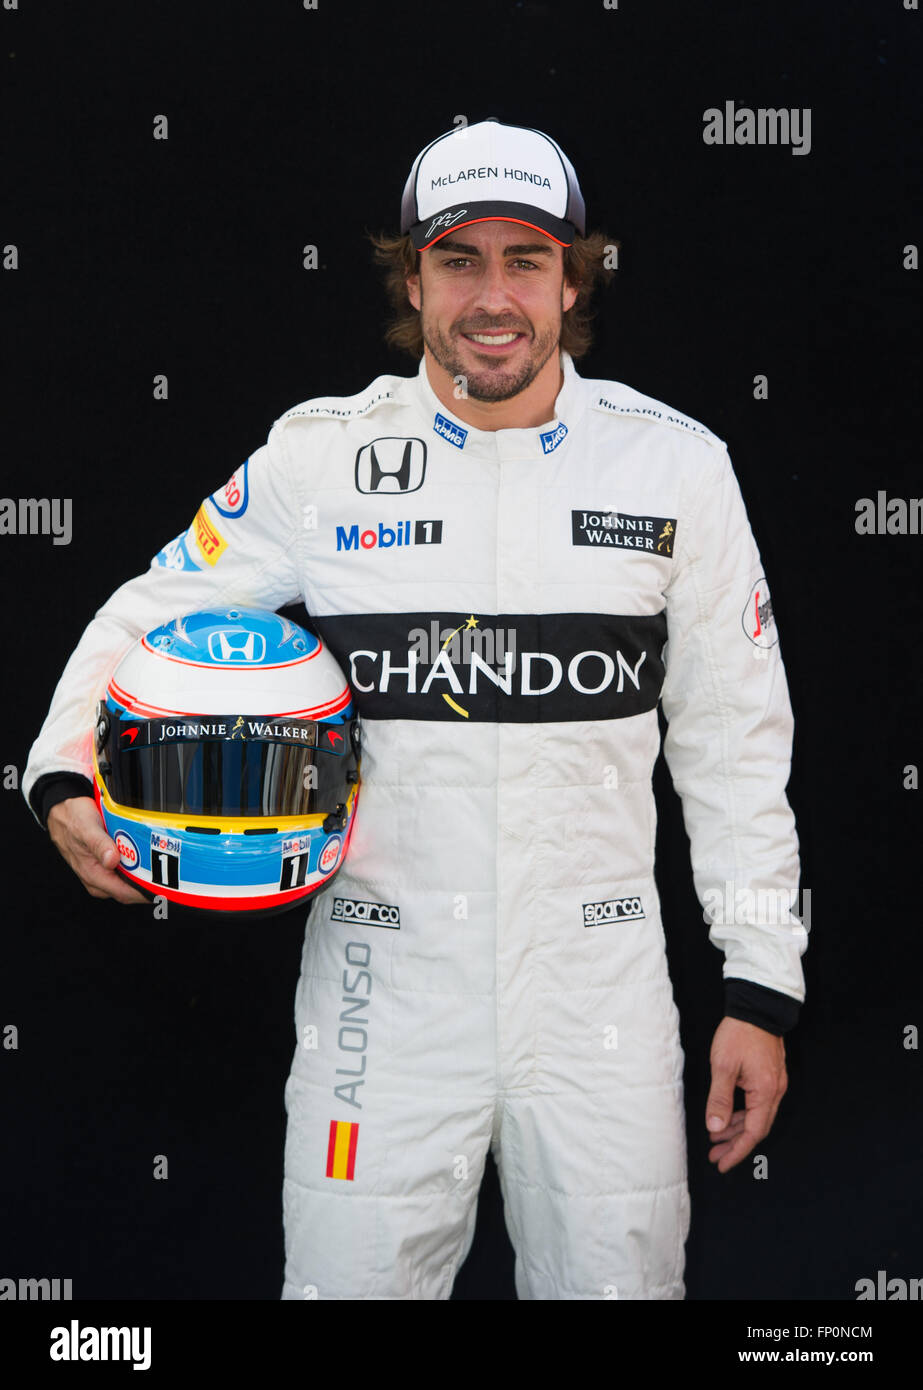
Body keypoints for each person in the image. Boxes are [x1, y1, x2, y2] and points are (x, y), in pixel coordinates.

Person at [23, 118, 807, 1300]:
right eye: (458, 260)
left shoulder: (674, 468)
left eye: (524, 259)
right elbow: (151, 604)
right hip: (374, 998)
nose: (492, 297)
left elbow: (736, 748)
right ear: (411, 278)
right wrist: (60, 775)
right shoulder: (318, 457)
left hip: (598, 998)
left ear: (570, 277)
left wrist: (759, 986)